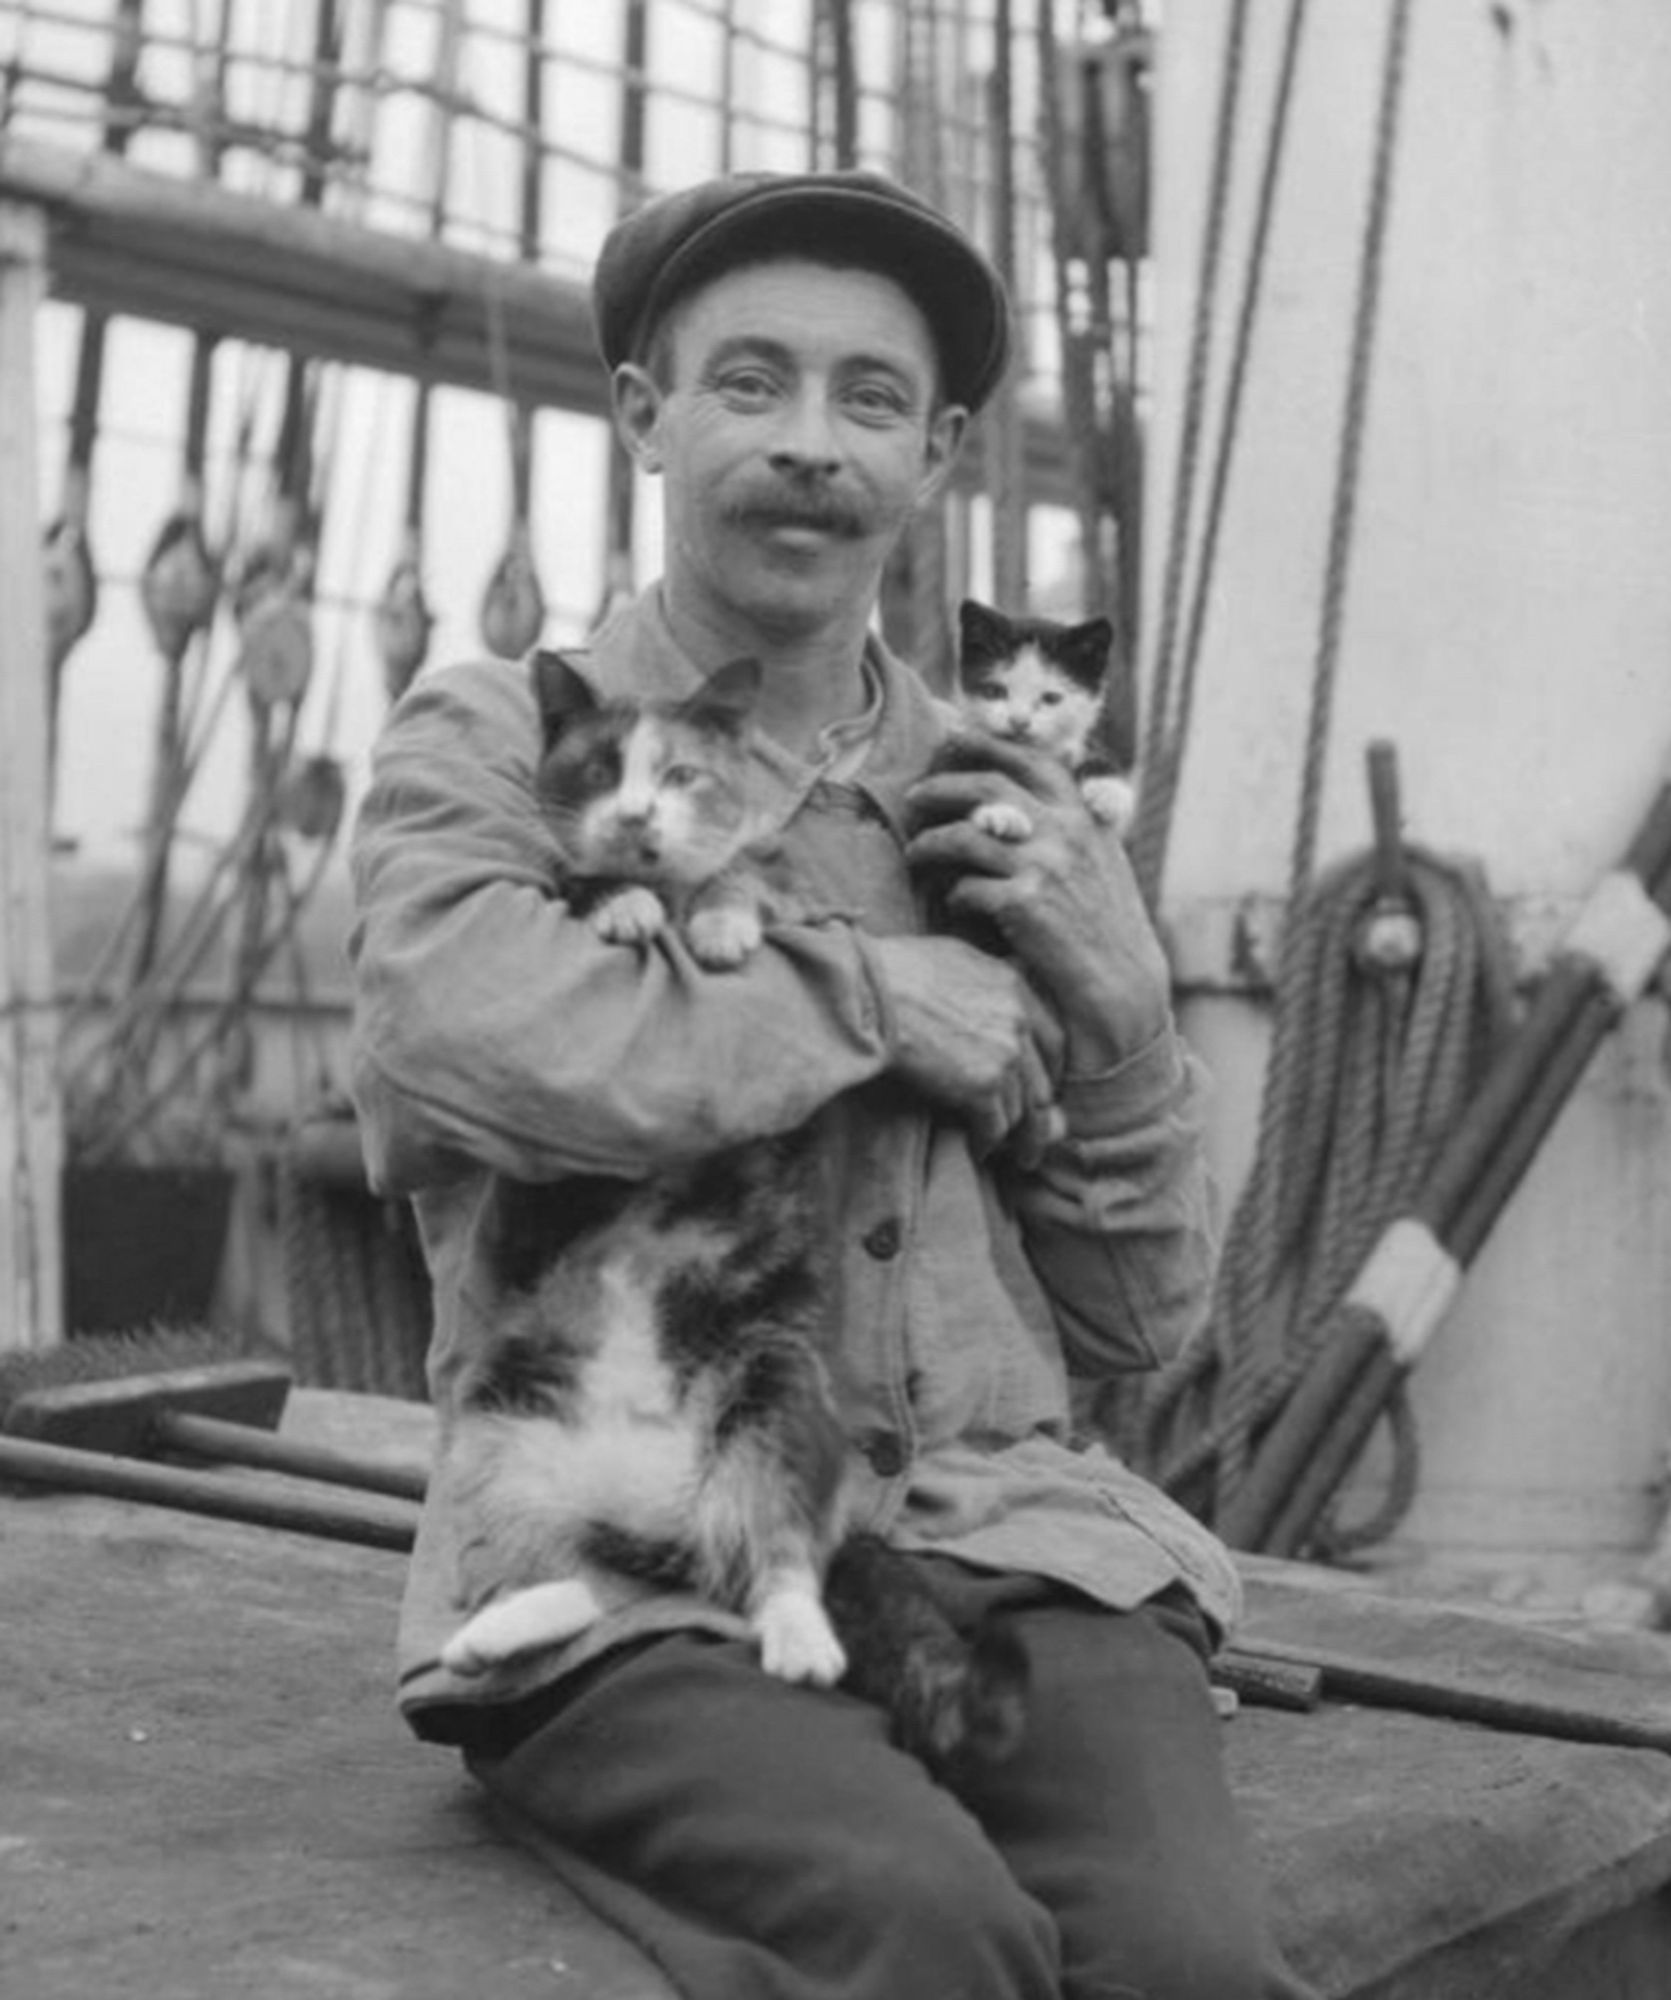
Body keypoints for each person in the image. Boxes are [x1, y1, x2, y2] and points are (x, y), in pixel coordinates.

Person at [348, 168, 1312, 2000]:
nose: (811, 444)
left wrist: (1112, 1011)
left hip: (999, 1536)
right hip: (632, 1548)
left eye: (870, 399)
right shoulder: (506, 735)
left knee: (1195, 1966)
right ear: (645, 412)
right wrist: (879, 994)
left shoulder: (1002, 816)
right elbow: (451, 1041)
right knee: (920, 1931)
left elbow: (1141, 1319)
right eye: (751, 383)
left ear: (938, 450)